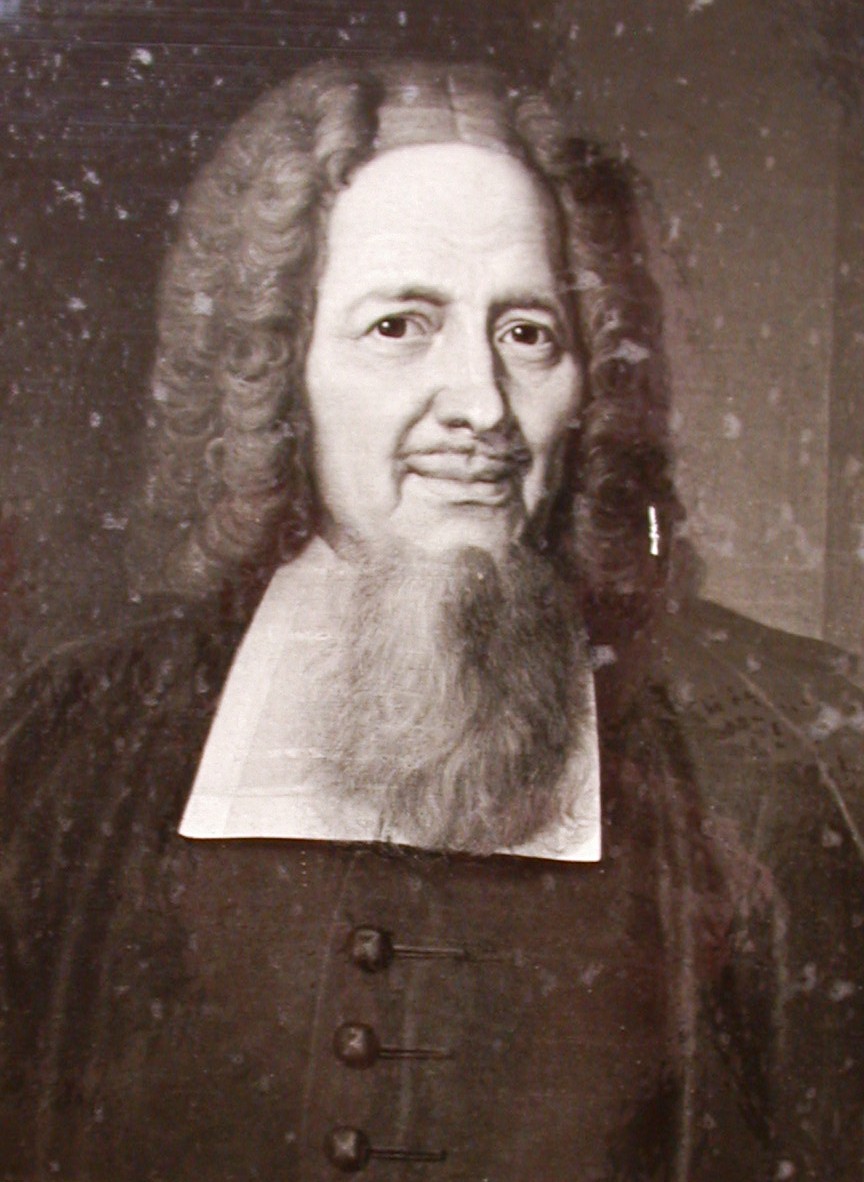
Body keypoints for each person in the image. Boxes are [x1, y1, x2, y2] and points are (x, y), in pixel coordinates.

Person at [1, 59, 862, 1181]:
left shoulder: (774, 760)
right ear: (277, 370)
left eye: (528, 334)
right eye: (400, 325)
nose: (481, 405)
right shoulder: (73, 742)